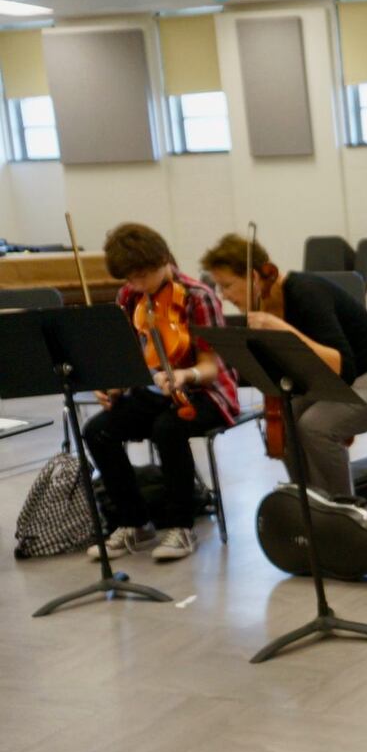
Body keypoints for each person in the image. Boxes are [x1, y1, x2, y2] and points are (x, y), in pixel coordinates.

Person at [202, 233, 367, 498]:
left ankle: (343, 510)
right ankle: (310, 502)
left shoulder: (306, 293)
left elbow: (342, 367)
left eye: (227, 286)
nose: (223, 296)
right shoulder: (262, 307)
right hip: (349, 378)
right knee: (285, 421)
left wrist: (284, 330)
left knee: (317, 426)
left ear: (254, 277)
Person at [83, 223, 240, 563]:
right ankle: (133, 522)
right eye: (130, 278)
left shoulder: (198, 296)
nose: (137, 285)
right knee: (97, 431)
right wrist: (113, 385)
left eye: (142, 276)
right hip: (154, 392)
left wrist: (184, 374)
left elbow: (211, 367)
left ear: (163, 260)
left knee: (167, 428)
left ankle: (180, 526)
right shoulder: (129, 297)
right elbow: (130, 359)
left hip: (207, 392)